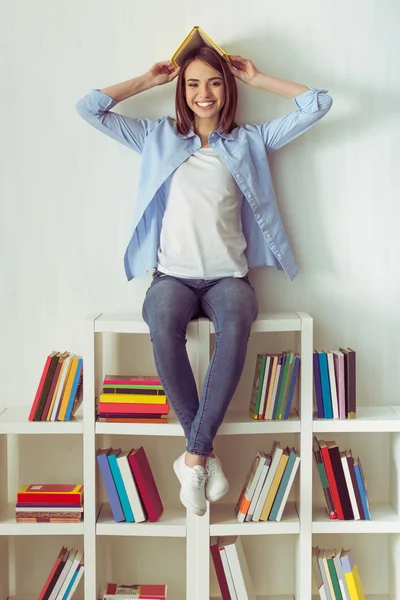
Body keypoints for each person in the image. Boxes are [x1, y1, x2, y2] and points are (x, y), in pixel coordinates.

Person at [76, 46, 332, 516]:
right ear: (181, 90)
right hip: (171, 277)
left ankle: (193, 456)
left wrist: (259, 77)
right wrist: (146, 81)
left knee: (235, 326)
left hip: (228, 279)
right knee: (162, 327)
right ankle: (203, 454)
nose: (203, 94)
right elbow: (88, 108)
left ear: (227, 88)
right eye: (193, 84)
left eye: (213, 83)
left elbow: (317, 103)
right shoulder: (156, 138)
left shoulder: (250, 141)